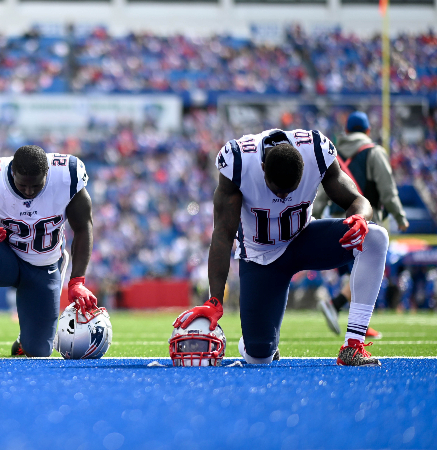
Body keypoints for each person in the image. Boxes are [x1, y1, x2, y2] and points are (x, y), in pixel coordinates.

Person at [174, 129, 389, 366]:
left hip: (304, 239)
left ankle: (353, 346)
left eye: (290, 190)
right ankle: (258, 339)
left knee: (375, 236)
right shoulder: (238, 162)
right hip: (261, 256)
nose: (284, 196)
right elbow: (223, 235)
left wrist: (359, 217)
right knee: (259, 357)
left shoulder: (315, 151)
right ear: (263, 167)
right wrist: (214, 299)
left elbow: (357, 200)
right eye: (278, 190)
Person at [0, 145, 96, 359]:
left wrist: (77, 281)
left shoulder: (66, 176)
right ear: (12, 172)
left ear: (48, 174)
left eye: (36, 185)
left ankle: (25, 339)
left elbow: (83, 227)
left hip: (44, 264)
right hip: (8, 258)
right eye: (23, 185)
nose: (29, 191)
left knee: (38, 351)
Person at [313, 111, 409, 338]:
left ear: (346, 131)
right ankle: (336, 305)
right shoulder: (374, 152)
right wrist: (399, 216)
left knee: (354, 272)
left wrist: (315, 215)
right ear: (367, 131)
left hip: (336, 221)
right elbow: (387, 190)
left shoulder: (333, 154)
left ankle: (357, 321)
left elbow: (322, 192)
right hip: (363, 221)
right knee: (370, 269)